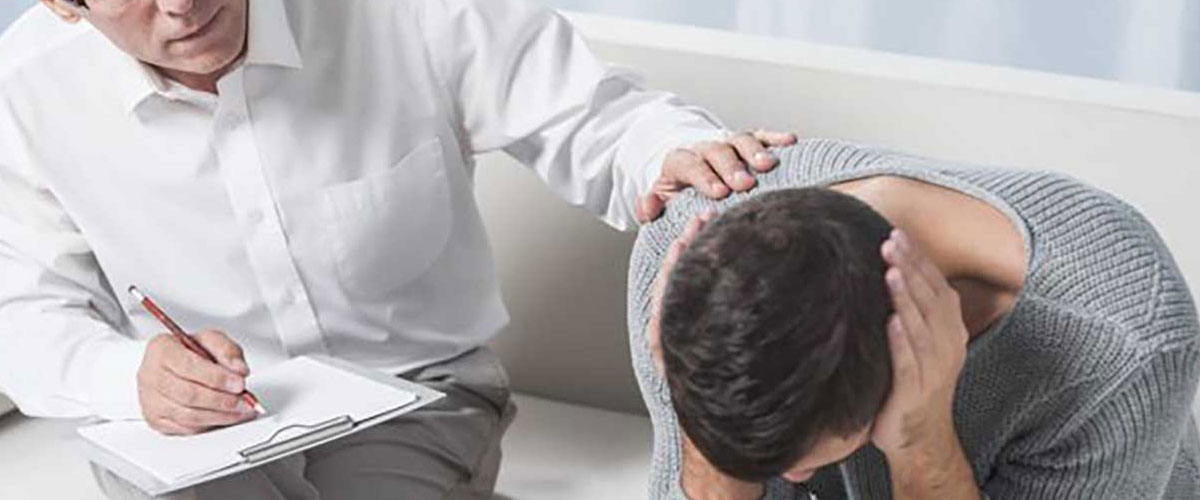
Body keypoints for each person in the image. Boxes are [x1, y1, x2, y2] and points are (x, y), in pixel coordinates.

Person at [0, 0, 798, 498]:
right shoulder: (25, 90)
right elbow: (21, 312)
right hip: (195, 433)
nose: (179, 4)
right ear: (66, 6)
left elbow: (596, 118)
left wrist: (673, 155)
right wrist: (129, 377)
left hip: (417, 396)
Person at [632, 139, 1200, 500]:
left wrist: (922, 442)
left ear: (901, 374)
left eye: (800, 463)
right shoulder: (684, 267)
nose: (793, 482)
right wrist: (700, 432)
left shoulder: (1128, 347)